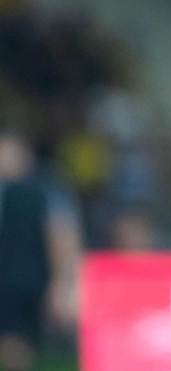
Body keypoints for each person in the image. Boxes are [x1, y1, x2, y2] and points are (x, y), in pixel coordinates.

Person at [0, 131, 83, 371]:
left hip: (26, 280)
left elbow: (63, 237)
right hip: (12, 277)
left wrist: (63, 283)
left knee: (17, 344)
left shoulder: (46, 190)